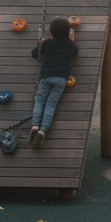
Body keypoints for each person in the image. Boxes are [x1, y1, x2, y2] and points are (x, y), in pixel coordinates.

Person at [29, 16, 78, 148]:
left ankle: (35, 126)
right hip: (61, 79)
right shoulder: (69, 45)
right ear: (68, 32)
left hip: (46, 77)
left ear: (51, 32)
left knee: (39, 101)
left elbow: (35, 54)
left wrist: (40, 43)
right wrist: (72, 40)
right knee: (51, 105)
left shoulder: (47, 43)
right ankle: (43, 131)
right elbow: (75, 53)